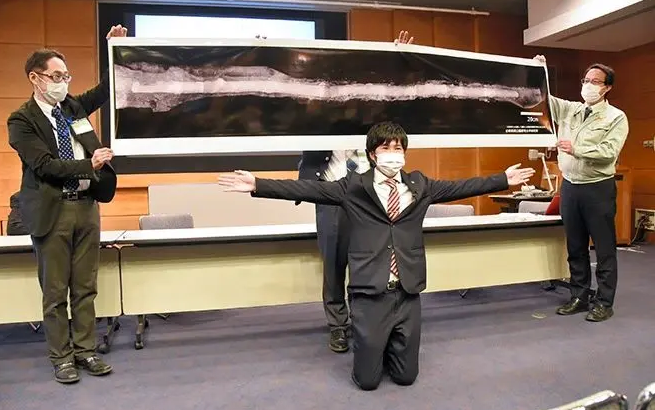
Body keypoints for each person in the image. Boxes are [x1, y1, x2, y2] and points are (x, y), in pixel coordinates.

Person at [219, 121, 534, 390]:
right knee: (368, 381)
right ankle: (371, 344)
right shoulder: (353, 187)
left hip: (407, 292)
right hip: (369, 293)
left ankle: (388, 345)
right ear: (372, 154)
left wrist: (502, 179)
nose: (393, 154)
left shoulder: (420, 184)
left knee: (406, 378)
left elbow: (460, 187)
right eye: (386, 148)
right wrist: (257, 184)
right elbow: (307, 190)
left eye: (398, 148)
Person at [7, 24, 127, 384]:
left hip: (87, 206)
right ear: (35, 78)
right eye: (56, 76)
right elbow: (44, 165)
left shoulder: (71, 107)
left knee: (86, 287)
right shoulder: (21, 120)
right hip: (53, 210)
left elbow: (106, 90)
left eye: (66, 76)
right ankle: (61, 357)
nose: (63, 82)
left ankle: (85, 350)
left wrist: (113, 50)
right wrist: (89, 165)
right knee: (56, 291)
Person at [297, 30, 415, 353]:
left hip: (369, 195)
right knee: (334, 266)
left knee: (371, 262)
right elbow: (295, 108)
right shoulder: (317, 109)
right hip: (332, 194)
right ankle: (338, 325)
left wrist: (399, 61)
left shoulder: (373, 111)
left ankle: (368, 319)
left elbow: (399, 99)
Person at [534, 55, 629, 322]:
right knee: (575, 246)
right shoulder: (571, 109)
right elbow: (544, 99)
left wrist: (577, 149)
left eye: (595, 82)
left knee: (604, 248)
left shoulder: (616, 117)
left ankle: (604, 302)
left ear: (607, 87)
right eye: (586, 80)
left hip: (597, 188)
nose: (588, 85)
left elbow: (609, 152)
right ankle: (579, 296)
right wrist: (539, 71)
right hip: (571, 187)